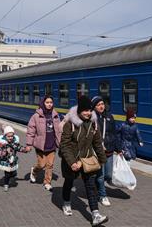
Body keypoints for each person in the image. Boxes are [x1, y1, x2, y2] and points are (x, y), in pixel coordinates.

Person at [59, 95, 108, 226]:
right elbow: (65, 145)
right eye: (85, 110)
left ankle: (96, 215)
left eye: (90, 110)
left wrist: (102, 159)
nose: (88, 113)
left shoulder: (93, 123)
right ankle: (66, 202)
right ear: (80, 110)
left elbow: (97, 143)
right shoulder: (70, 124)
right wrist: (72, 162)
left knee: (90, 187)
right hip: (71, 160)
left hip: (86, 159)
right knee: (69, 182)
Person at [26, 95, 61, 191]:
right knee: (41, 165)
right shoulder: (36, 116)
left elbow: (59, 131)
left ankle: (47, 182)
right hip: (41, 145)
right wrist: (29, 144)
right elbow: (31, 130)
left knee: (50, 165)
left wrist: (61, 143)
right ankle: (34, 170)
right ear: (43, 103)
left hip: (52, 144)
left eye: (51, 102)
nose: (49, 104)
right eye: (47, 102)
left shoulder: (55, 115)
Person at [91, 96, 122, 207]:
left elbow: (115, 134)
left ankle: (96, 186)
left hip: (109, 151)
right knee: (101, 176)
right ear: (94, 107)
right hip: (98, 152)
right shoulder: (91, 119)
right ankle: (102, 195)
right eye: (98, 104)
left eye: (102, 104)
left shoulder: (109, 117)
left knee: (108, 175)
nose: (101, 106)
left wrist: (118, 149)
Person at [0, 125, 27, 192]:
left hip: (13, 161)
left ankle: (11, 176)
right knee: (7, 174)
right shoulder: (2, 144)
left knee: (13, 174)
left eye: (11, 136)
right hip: (5, 162)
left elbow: (19, 148)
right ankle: (6, 184)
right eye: (8, 136)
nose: (10, 137)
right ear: (5, 136)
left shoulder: (14, 143)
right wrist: (4, 152)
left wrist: (25, 149)